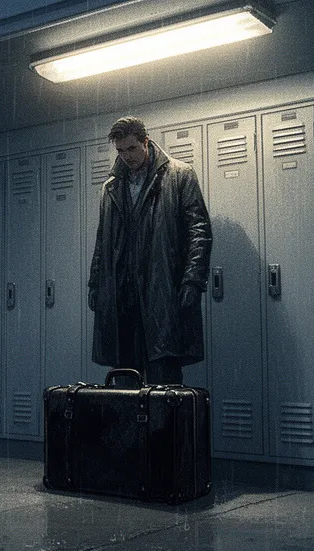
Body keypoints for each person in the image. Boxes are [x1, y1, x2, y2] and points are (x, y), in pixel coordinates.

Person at [88, 116, 212, 386]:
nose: (127, 156)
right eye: (121, 151)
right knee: (124, 382)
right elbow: (103, 241)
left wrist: (192, 280)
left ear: (146, 142)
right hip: (123, 296)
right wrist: (96, 283)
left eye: (132, 148)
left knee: (163, 382)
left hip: (162, 291)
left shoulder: (179, 175)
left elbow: (199, 230)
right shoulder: (111, 187)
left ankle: (162, 417)